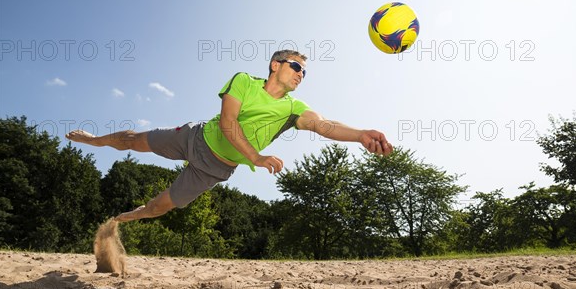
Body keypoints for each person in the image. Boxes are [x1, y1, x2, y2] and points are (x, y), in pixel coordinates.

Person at [66, 50, 394, 222]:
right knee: (134, 141)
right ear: (275, 65)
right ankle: (95, 140)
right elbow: (228, 123)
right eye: (295, 66)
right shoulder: (244, 82)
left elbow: (324, 125)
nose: (300, 74)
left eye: (304, 72)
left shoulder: (294, 108)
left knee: (159, 207)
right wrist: (256, 158)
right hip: (195, 138)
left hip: (213, 169)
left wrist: (360, 134)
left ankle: (121, 220)